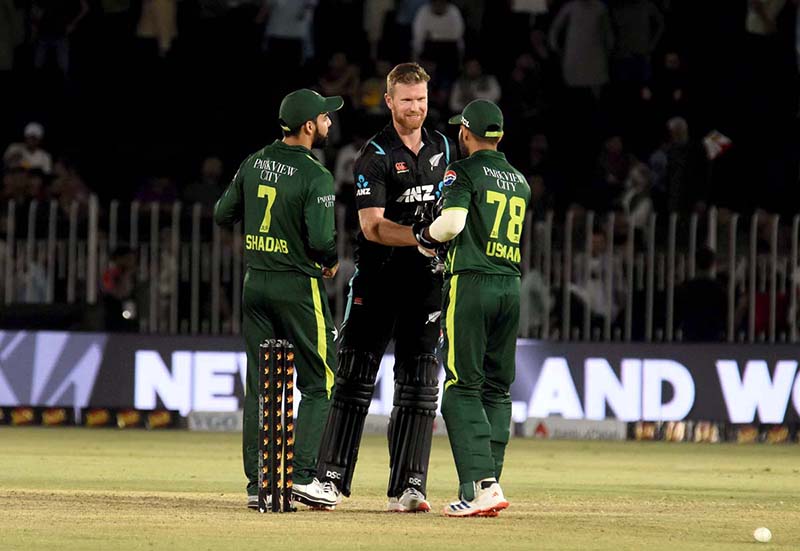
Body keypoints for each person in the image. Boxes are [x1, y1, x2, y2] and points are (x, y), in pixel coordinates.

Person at [297, 62, 456, 512]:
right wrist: (422, 238)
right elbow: (372, 227)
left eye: (422, 100)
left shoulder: (443, 146)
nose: (416, 108)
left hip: (426, 286)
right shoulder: (375, 153)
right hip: (378, 282)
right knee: (353, 380)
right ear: (389, 102)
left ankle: (410, 487)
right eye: (407, 100)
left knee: (420, 384)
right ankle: (329, 481)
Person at [214, 88, 343, 510]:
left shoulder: (254, 162)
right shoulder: (316, 174)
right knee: (320, 381)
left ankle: (257, 485)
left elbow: (222, 214)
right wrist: (328, 260)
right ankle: (302, 476)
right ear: (309, 126)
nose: (328, 122)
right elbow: (323, 239)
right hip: (297, 285)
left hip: (255, 282)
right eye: (324, 117)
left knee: (260, 385)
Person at [411, 99, 530, 517]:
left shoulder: (461, 171)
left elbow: (453, 224)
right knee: (497, 390)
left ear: (465, 132)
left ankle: (483, 487)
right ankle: (486, 484)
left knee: (461, 388)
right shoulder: (519, 180)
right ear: (500, 135)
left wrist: (425, 233)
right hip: (510, 286)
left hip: (473, 283)